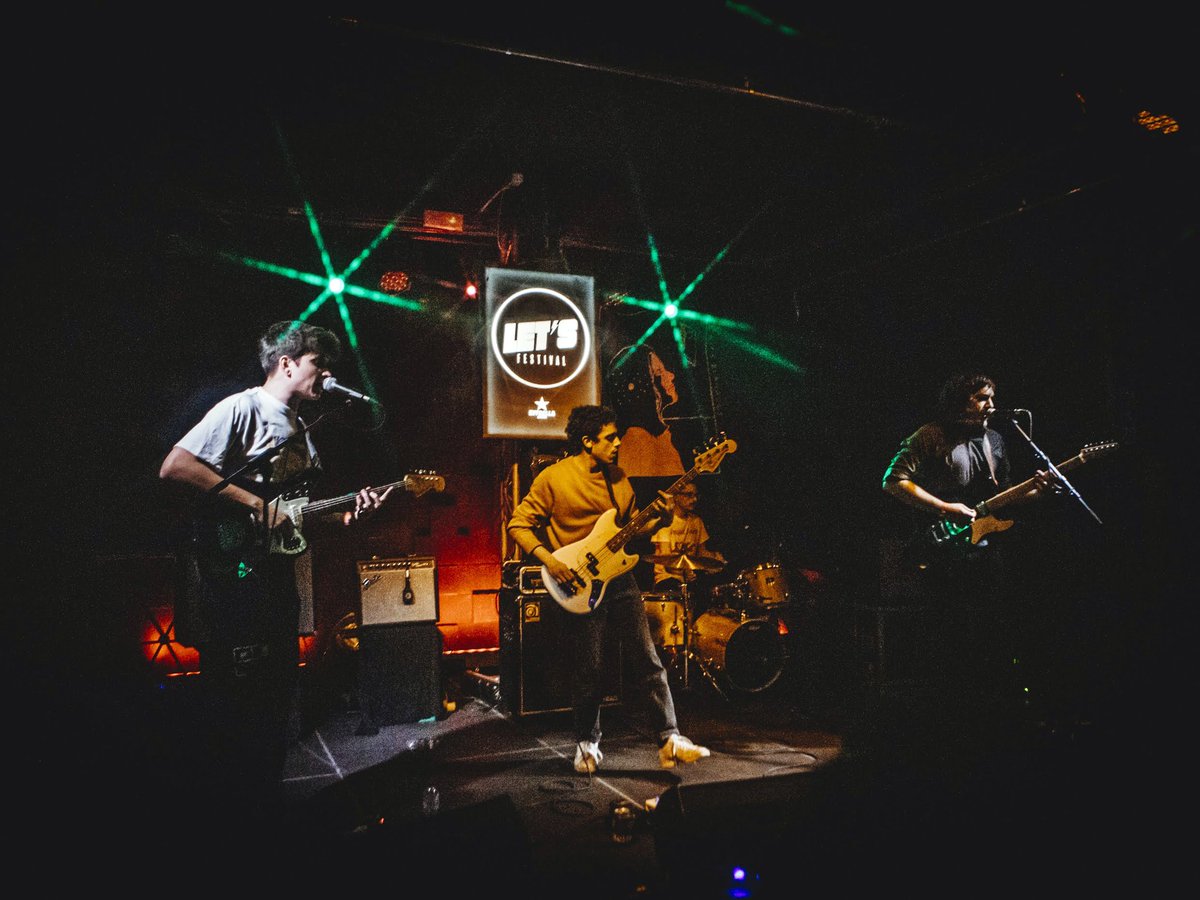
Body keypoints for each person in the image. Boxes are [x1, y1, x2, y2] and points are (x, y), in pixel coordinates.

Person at [160, 320, 393, 828]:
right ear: (287, 363)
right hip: (233, 571)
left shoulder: (303, 430)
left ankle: (263, 806)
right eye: (318, 363)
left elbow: (302, 509)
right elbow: (175, 465)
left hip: (276, 577)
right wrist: (252, 504)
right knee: (236, 697)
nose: (327, 373)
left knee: (275, 698)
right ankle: (226, 813)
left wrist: (353, 511)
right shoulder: (241, 408)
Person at [507, 404, 710, 773]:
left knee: (647, 659)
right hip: (577, 583)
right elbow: (518, 525)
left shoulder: (619, 478)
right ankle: (587, 743)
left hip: (619, 579)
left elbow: (630, 533)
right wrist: (550, 561)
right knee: (589, 668)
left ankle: (669, 739)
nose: (618, 443)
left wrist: (660, 518)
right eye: (610, 438)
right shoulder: (552, 478)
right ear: (587, 441)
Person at [880, 372, 1059, 755]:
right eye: (981, 398)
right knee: (949, 632)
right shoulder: (929, 435)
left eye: (992, 397)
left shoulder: (994, 440)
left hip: (986, 547)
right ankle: (943, 724)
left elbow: (1001, 499)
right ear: (959, 402)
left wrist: (1035, 493)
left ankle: (990, 718)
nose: (990, 405)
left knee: (993, 627)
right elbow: (893, 481)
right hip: (942, 547)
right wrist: (946, 507)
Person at [606, 344, 685, 476]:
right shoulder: (637, 440)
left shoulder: (657, 436)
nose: (670, 376)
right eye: (659, 372)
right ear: (643, 386)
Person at [650, 483, 726, 615]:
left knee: (710, 594)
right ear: (676, 497)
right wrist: (687, 569)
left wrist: (715, 559)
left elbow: (702, 552)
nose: (694, 499)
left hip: (689, 580)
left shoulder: (696, 521)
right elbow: (665, 558)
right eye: (689, 495)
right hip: (667, 579)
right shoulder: (666, 521)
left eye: (696, 495)